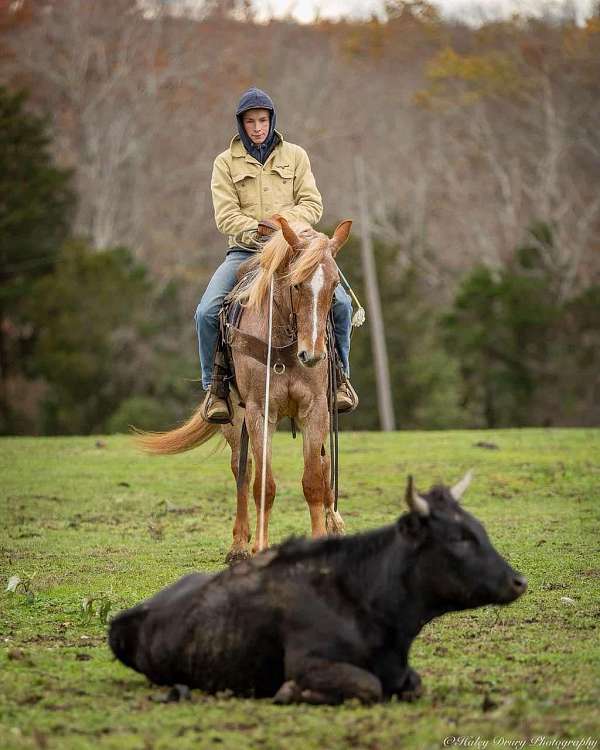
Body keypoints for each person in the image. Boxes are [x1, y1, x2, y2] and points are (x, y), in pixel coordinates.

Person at [195, 87, 358, 423]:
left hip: (295, 249)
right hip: (246, 252)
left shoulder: (296, 156)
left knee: (340, 303)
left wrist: (287, 231)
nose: (257, 127)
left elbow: (312, 204)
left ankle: (340, 378)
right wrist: (259, 230)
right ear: (241, 124)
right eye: (251, 121)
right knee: (206, 312)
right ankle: (215, 389)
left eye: (263, 120)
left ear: (272, 121)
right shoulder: (225, 163)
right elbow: (225, 215)